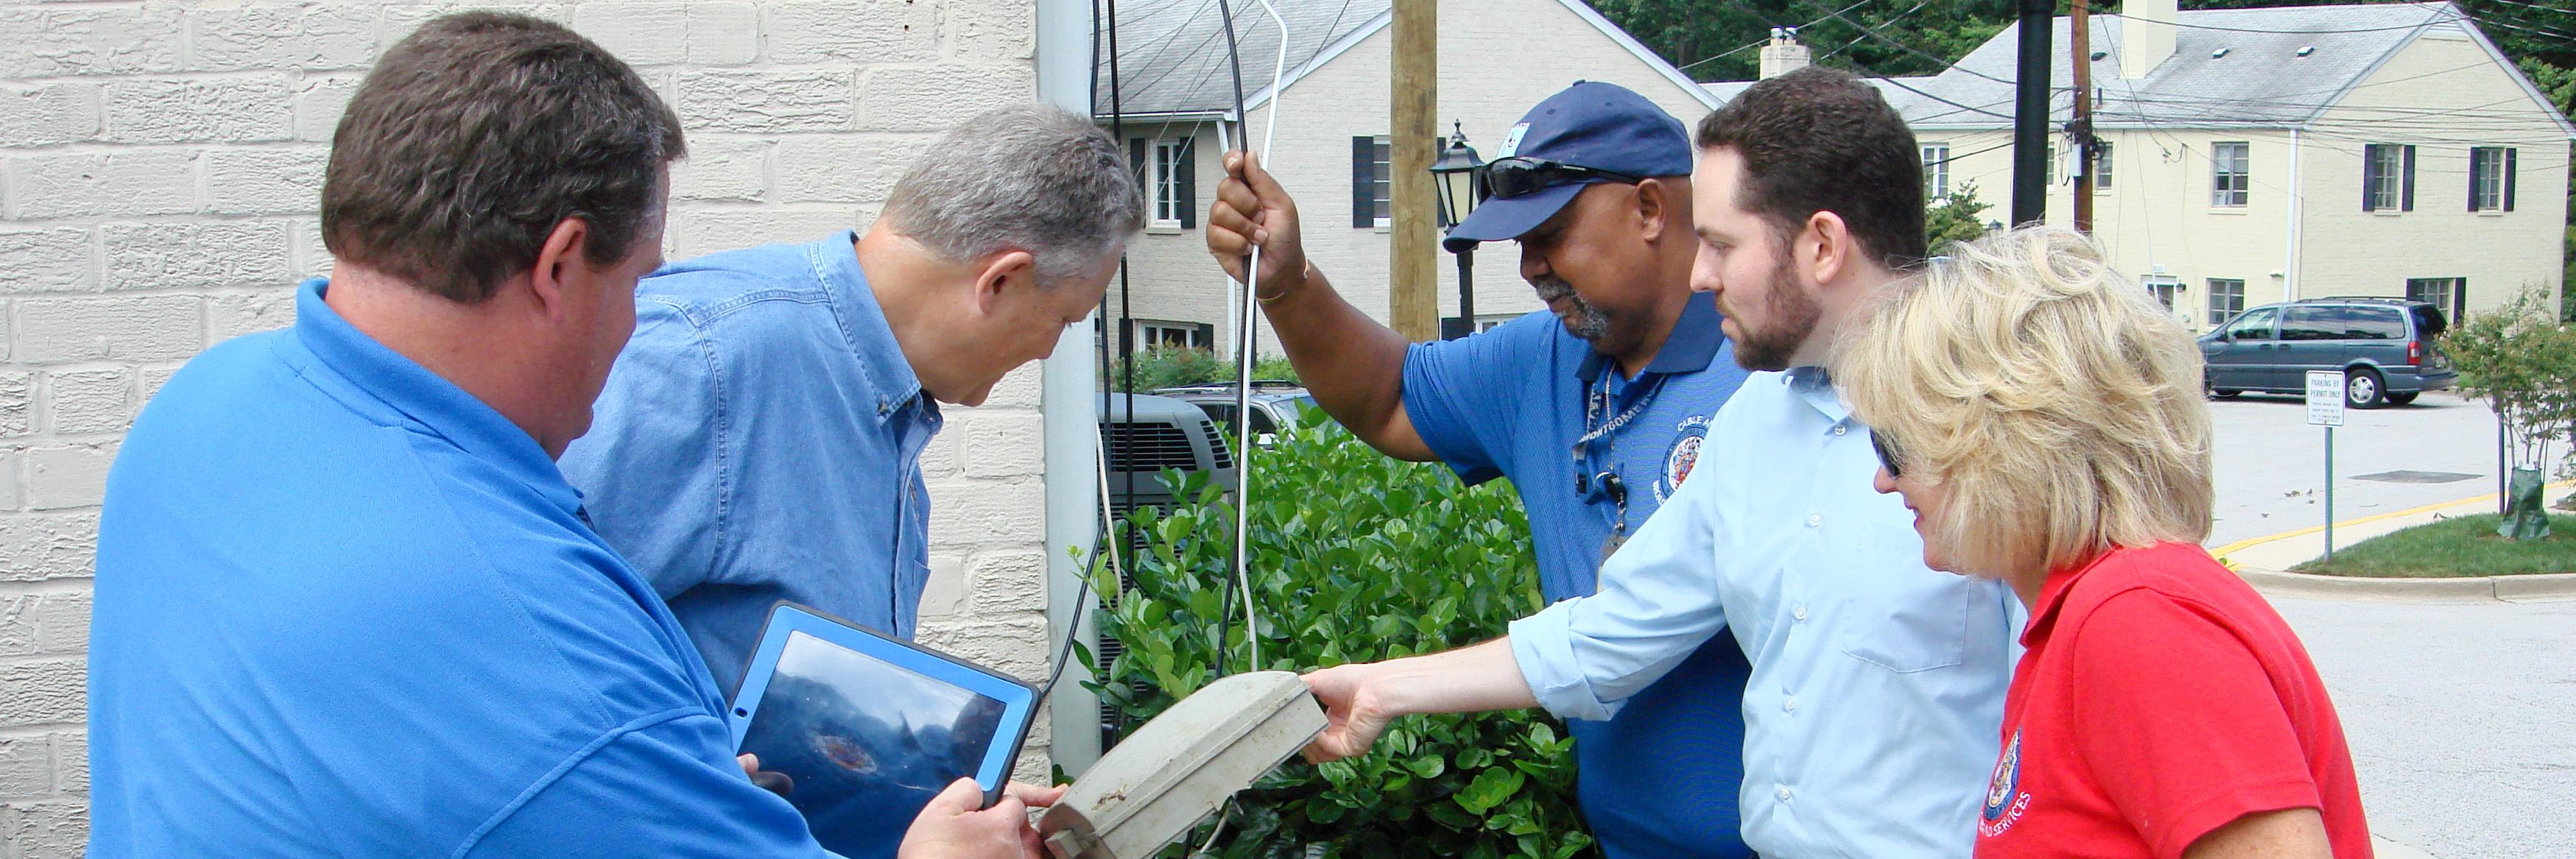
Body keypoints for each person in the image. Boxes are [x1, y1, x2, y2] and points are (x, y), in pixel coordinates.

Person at [86, 13, 1049, 858]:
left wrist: (685, 793)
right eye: (639, 282)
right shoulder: (552, 654)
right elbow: (552, 720)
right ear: (557, 266)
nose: (642, 324)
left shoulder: (203, 404)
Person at [1286, 67, 2019, 857]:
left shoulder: (2012, 429)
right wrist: (1379, 690)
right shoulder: (1757, 421)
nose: (1701, 274)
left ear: (1822, 244)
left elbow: (2089, 727)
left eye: (1721, 245)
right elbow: (1612, 635)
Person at [1206, 81, 1758, 858]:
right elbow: (1387, 397)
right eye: (1518, 242)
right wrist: (1288, 283)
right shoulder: (1546, 358)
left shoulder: (1764, 372)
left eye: (1552, 232)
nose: (1530, 266)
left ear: (1650, 209)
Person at [558, 103, 1139, 700]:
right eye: (1067, 320)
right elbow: (523, 649)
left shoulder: (891, 409)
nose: (1048, 350)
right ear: (1000, 281)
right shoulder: (701, 362)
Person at [1837, 227, 2370, 858]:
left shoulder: (2138, 622)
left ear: (2002, 443)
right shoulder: (2089, 614)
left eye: (1896, 446)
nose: (1883, 479)